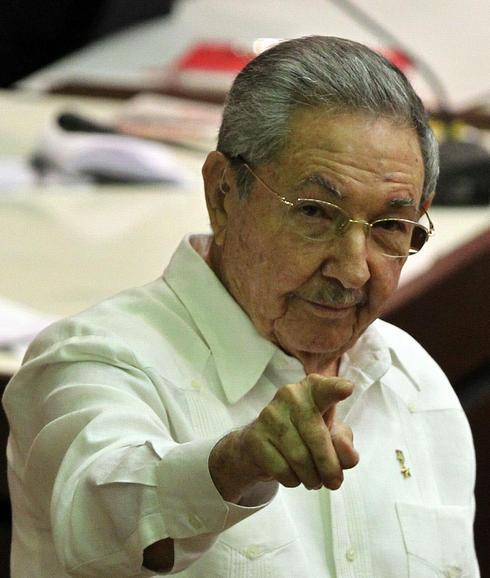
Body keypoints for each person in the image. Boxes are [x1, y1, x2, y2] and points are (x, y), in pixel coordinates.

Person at [2, 36, 479, 577]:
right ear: (223, 194)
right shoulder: (91, 361)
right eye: (315, 213)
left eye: (390, 225)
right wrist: (234, 466)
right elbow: (99, 522)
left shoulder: (414, 382)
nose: (353, 270)